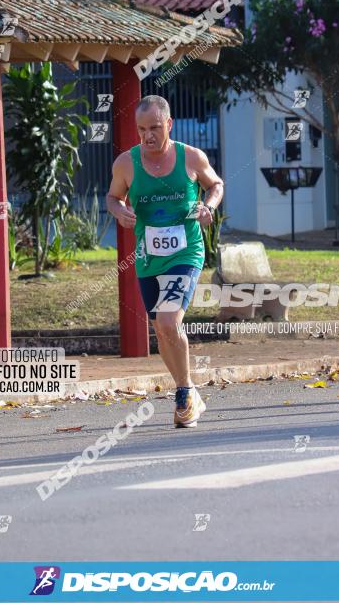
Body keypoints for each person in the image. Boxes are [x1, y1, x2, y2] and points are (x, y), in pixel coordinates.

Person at [106, 95, 224, 428]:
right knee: (160, 327)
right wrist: (121, 212)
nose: (148, 136)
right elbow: (113, 198)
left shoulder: (191, 157)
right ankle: (187, 390)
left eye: (155, 128)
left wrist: (208, 207)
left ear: (169, 124)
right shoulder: (126, 164)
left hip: (186, 253)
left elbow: (215, 184)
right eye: (142, 129)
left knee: (170, 321)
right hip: (148, 257)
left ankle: (186, 393)